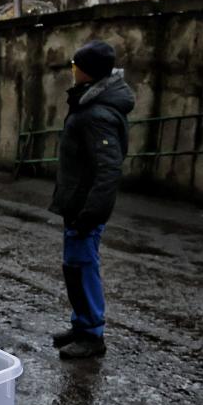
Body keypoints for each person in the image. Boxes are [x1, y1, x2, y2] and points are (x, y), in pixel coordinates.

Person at [50, 40, 134, 359]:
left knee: (83, 267)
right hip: (77, 203)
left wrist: (91, 213)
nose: (73, 70)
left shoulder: (98, 111)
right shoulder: (90, 102)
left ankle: (92, 335)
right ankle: (82, 325)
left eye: (76, 66)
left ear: (88, 72)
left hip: (86, 207)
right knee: (75, 266)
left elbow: (108, 167)